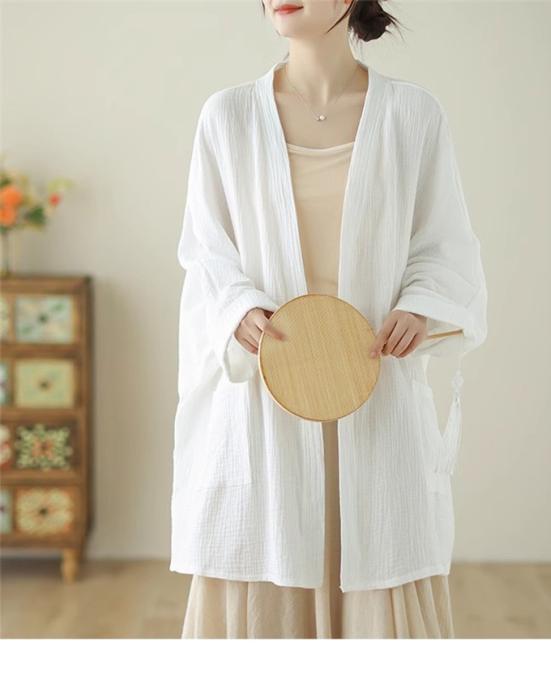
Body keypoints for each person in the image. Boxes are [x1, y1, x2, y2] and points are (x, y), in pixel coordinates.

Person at [172, 0, 488, 639]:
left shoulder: (412, 114)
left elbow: (443, 244)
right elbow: (206, 250)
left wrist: (420, 306)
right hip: (267, 396)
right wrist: (237, 307)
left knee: (380, 548)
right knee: (265, 547)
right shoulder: (228, 116)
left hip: (375, 386)